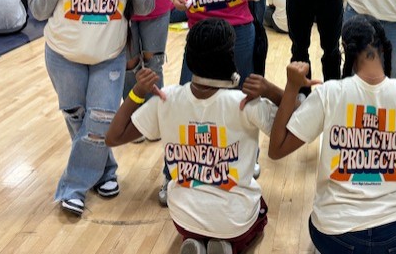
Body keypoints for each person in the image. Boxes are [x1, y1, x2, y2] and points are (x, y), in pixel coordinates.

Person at [268, 14, 396, 254]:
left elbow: (276, 149)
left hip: (335, 234)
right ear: (384, 49)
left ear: (346, 51)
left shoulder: (329, 93)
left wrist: (292, 87)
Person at [106, 18, 280, 254]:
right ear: (230, 59)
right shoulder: (244, 103)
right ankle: (228, 246)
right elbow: (292, 123)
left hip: (184, 219)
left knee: (196, 221)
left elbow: (113, 137)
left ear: (189, 58)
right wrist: (272, 91)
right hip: (234, 221)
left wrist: (137, 92)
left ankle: (196, 242)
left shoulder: (166, 98)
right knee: (260, 210)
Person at [28, 0, 155, 216]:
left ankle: (73, 187)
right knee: (77, 118)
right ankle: (107, 171)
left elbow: (148, 6)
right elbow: (38, 12)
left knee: (100, 121)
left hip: (108, 57)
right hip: (62, 56)